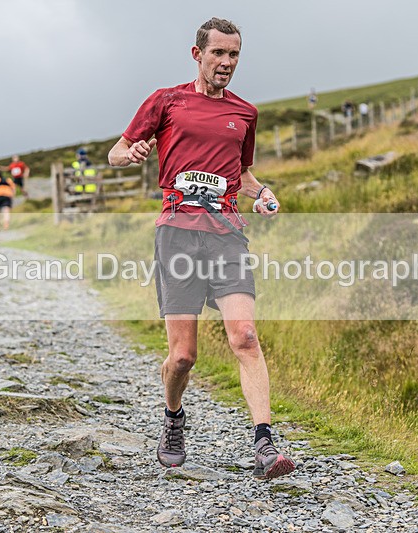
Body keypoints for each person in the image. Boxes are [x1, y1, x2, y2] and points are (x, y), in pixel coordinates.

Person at [108, 17, 295, 480]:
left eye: (234, 55)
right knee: (183, 357)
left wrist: (262, 193)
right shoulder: (166, 100)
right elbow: (117, 151)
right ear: (198, 54)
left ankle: (265, 444)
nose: (226, 62)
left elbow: (241, 174)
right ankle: (173, 418)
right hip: (177, 234)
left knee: (245, 336)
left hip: (227, 234)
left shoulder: (245, 113)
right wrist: (130, 154)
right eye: (218, 53)